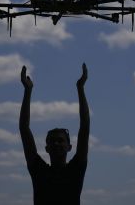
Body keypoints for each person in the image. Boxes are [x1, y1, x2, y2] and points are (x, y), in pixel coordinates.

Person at [19, 64, 90, 205]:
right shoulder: (39, 170)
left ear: (69, 147)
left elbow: (85, 126)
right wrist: (28, 91)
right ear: (46, 148)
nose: (56, 143)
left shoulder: (76, 169)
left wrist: (80, 88)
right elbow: (24, 128)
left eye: (60, 140)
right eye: (52, 141)